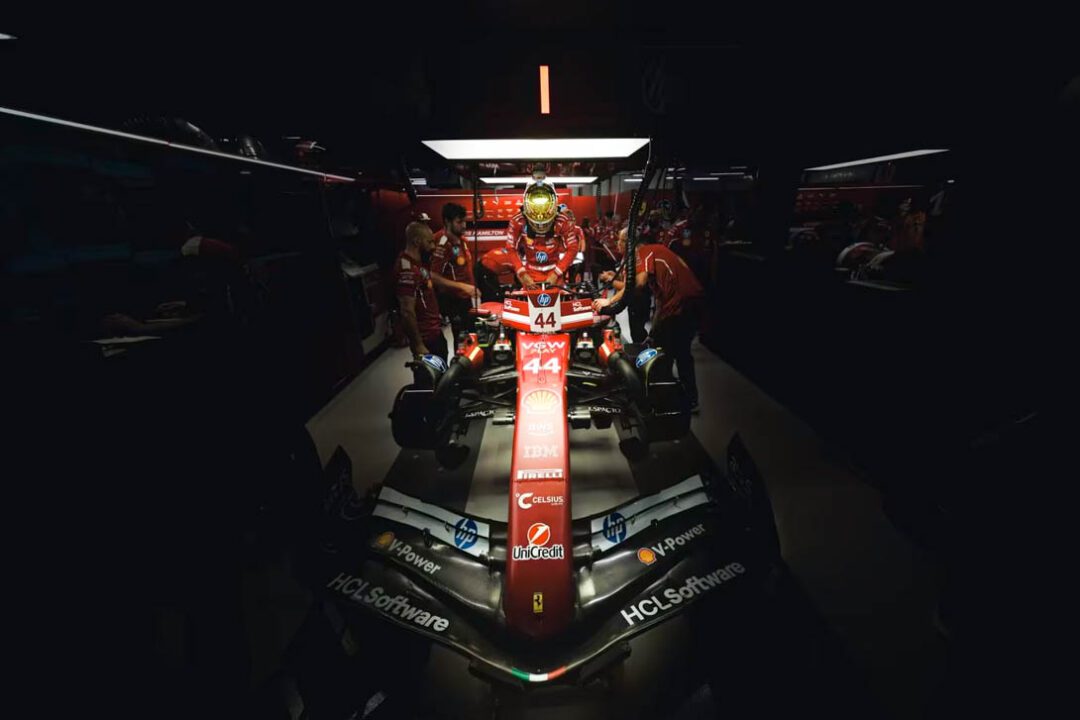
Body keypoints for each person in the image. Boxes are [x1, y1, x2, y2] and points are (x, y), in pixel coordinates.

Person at [594, 228, 704, 412]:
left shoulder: (644, 252)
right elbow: (660, 301)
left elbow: (638, 283)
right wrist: (653, 331)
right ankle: (681, 397)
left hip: (682, 305)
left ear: (631, 243)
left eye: (621, 241)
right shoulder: (659, 253)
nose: (619, 244)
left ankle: (670, 400)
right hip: (689, 303)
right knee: (675, 351)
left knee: (668, 353)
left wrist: (609, 301)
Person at [504, 179, 581, 288]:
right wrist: (522, 273)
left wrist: (557, 273)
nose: (540, 209)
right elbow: (510, 247)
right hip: (530, 275)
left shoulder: (562, 220)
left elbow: (573, 247)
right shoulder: (518, 220)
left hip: (555, 274)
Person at [395, 221, 449, 363]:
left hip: (435, 332)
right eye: (429, 242)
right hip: (426, 340)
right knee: (429, 376)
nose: (433, 247)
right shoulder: (406, 270)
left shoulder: (418, 263)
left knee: (442, 371)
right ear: (417, 241)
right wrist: (418, 345)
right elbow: (407, 311)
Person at [430, 202, 478, 344]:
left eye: (464, 221)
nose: (464, 225)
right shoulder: (442, 243)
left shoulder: (461, 239)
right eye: (459, 222)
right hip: (454, 300)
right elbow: (433, 276)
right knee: (462, 340)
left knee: (472, 335)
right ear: (447, 221)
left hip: (466, 298)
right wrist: (463, 286)